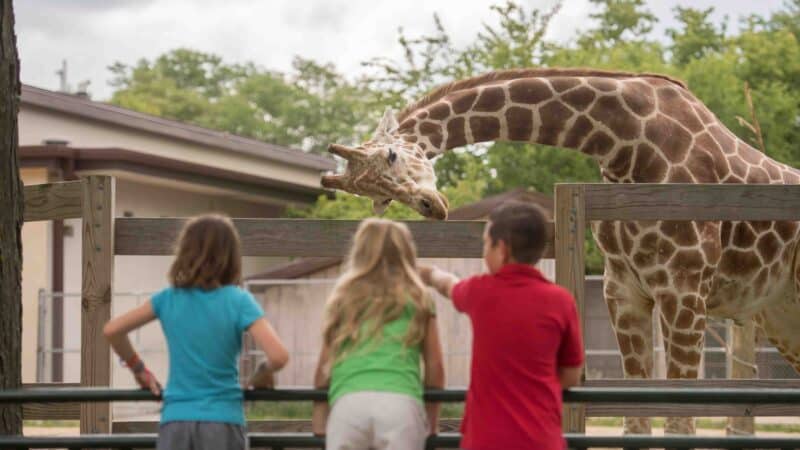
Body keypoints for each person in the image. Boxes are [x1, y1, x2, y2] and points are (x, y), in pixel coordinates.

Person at [103, 214, 289, 450]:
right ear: (231, 256)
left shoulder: (167, 299)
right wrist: (261, 374)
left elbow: (112, 330)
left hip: (176, 422)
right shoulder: (239, 301)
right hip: (223, 421)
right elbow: (279, 356)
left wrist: (139, 369)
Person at [419, 201, 584, 450]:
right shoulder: (561, 301)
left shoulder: (480, 291)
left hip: (486, 440)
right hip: (542, 439)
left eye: (486, 244)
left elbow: (447, 284)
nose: (484, 252)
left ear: (502, 249)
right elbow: (571, 374)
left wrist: (427, 273)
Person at [312, 218, 445, 450]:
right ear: (407, 253)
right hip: (401, 405)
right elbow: (435, 367)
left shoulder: (343, 297)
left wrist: (319, 416)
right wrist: (431, 421)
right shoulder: (419, 297)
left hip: (349, 405)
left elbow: (324, 367)